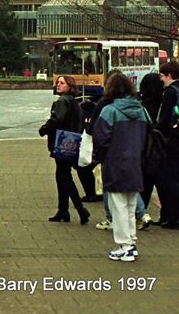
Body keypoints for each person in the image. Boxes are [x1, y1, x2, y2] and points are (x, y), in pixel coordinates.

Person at [92, 73, 150, 261]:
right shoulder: (142, 110)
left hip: (115, 162)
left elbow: (100, 138)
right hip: (136, 163)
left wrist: (99, 157)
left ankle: (124, 245)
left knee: (118, 206)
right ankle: (131, 242)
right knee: (131, 205)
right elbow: (149, 135)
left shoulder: (109, 111)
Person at [38, 75, 89, 224]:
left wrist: (44, 129)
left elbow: (57, 119)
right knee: (61, 176)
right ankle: (63, 210)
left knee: (64, 177)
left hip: (61, 142)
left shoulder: (61, 101)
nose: (58, 85)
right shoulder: (75, 102)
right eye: (57, 83)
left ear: (69, 86)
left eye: (62, 83)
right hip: (72, 141)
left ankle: (80, 210)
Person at [153, 61, 179, 228]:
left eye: (162, 76)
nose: (161, 79)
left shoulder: (170, 92)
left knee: (168, 179)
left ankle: (171, 216)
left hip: (171, 141)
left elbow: (163, 120)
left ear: (169, 75)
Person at [138, 72, 164, 211]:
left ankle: (142, 211)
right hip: (162, 148)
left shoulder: (143, 107)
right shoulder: (163, 105)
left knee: (145, 182)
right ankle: (165, 214)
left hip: (145, 149)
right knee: (162, 183)